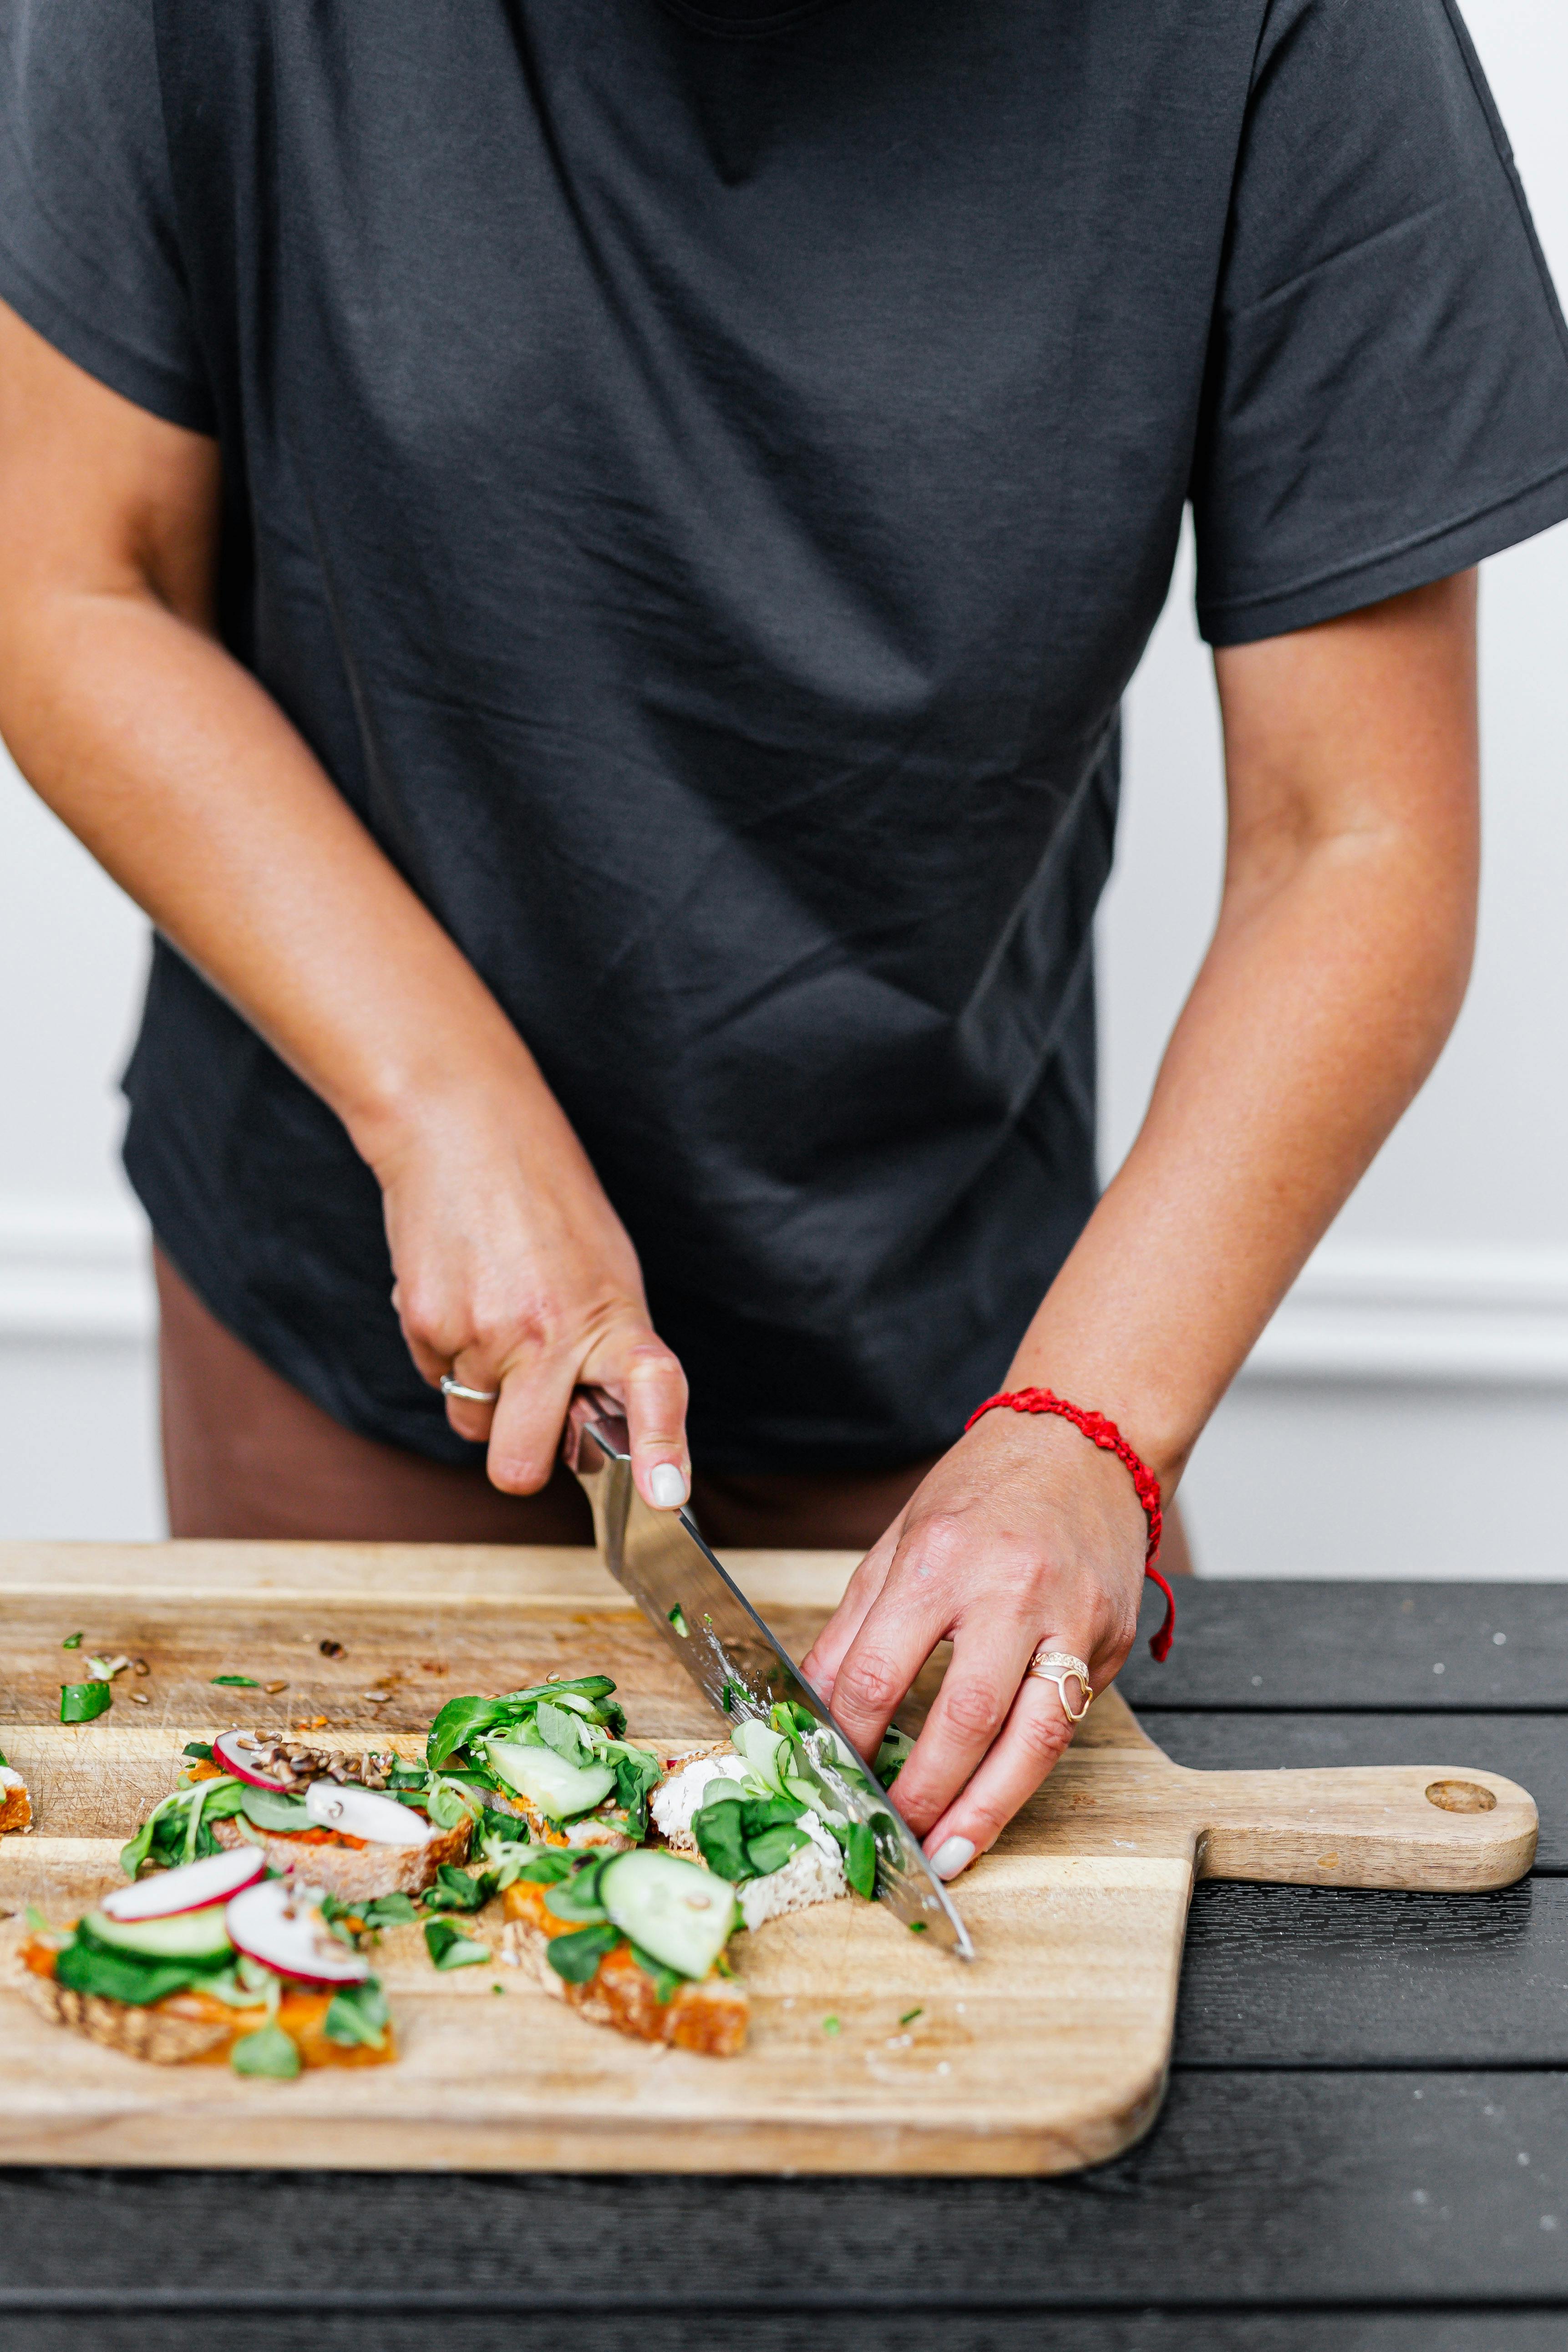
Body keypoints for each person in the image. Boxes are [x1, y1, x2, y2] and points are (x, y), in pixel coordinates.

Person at [1, 0, 1564, 1886]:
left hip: (954, 1328)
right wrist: (442, 1104)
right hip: (341, 1312)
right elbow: (68, 574)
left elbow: (1355, 836)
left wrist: (1085, 1425)